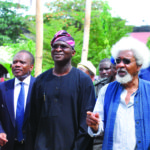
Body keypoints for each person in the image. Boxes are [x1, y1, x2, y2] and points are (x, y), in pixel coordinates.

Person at [29, 30, 96, 150]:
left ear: (73, 52)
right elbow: (33, 118)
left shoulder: (83, 81)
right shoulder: (40, 81)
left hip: (72, 146)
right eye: (55, 46)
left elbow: (85, 122)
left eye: (63, 46)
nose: (58, 49)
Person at [86, 37, 150, 150]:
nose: (120, 65)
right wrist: (95, 126)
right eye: (118, 61)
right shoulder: (106, 90)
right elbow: (99, 126)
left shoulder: (148, 90)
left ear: (139, 65)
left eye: (126, 61)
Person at [0, 50, 35, 150]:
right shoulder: (2, 88)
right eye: (14, 62)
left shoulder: (39, 86)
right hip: (8, 144)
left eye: (22, 62)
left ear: (31, 67)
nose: (17, 65)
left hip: (33, 144)